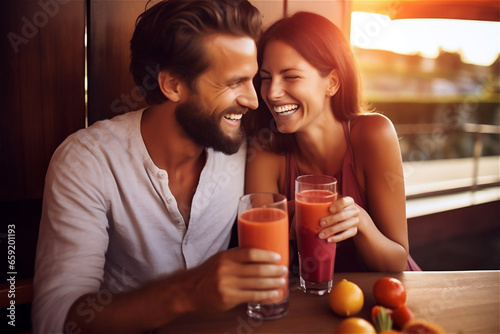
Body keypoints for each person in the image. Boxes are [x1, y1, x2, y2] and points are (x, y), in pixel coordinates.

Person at [32, 1, 288, 333]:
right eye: (233, 83)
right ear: (172, 85)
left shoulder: (246, 146)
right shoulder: (87, 162)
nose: (253, 100)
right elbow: (53, 319)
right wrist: (185, 292)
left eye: (253, 80)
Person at [244, 11, 420, 273]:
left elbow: (396, 261)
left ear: (332, 83)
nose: (272, 92)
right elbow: (265, 263)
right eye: (266, 77)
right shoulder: (266, 149)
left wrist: (360, 223)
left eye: (291, 76)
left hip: (387, 296)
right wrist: (290, 230)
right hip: (316, 302)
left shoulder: (374, 134)